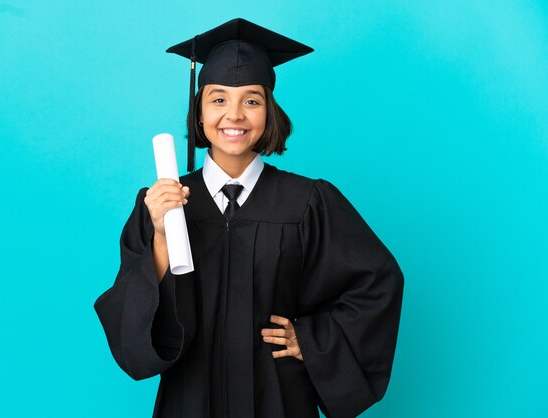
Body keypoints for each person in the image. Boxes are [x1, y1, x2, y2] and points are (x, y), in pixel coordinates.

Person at [94, 18, 404, 418]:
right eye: (219, 99)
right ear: (200, 112)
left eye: (252, 101)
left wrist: (311, 339)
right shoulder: (159, 205)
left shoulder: (308, 201)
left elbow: (378, 282)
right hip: (190, 401)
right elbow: (129, 324)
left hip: (279, 399)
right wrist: (160, 239)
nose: (235, 115)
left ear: (269, 112)